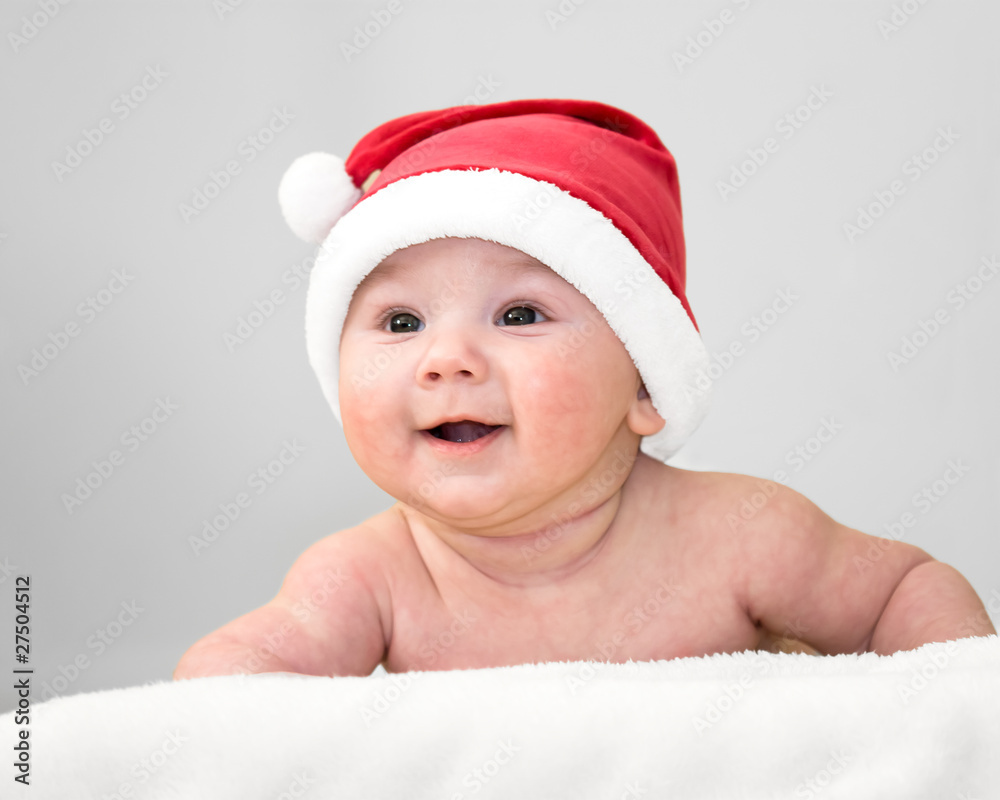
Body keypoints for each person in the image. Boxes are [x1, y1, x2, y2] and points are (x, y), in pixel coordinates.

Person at [173, 99, 995, 680]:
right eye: (399, 323)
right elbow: (238, 680)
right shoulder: (372, 575)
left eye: (521, 313)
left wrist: (947, 715)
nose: (446, 360)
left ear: (646, 383)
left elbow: (905, 591)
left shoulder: (740, 535)